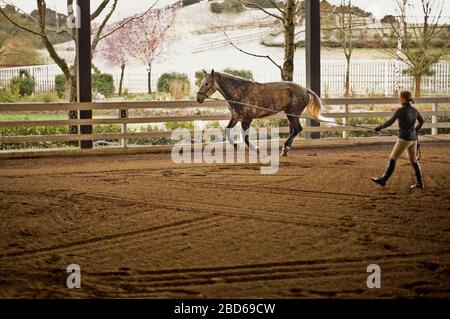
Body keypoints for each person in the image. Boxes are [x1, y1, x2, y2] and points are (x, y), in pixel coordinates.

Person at [372, 91, 425, 189]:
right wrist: (415, 130)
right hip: (413, 139)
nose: (399, 99)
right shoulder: (415, 110)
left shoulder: (400, 110)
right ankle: (420, 182)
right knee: (413, 160)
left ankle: (384, 179)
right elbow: (422, 121)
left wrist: (379, 127)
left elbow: (390, 121)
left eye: (399, 98)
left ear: (403, 98)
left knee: (393, 158)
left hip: (404, 139)